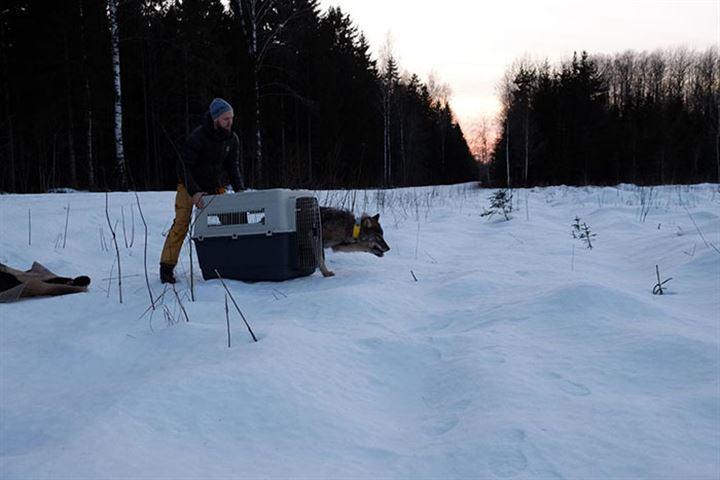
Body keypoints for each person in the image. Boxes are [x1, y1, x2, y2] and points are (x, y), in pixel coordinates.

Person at [159, 98, 245, 284]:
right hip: (189, 186)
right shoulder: (197, 137)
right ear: (215, 119)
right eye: (225, 119)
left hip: (215, 186)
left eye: (231, 118)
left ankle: (235, 264)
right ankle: (166, 267)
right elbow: (183, 167)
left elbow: (232, 167)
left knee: (233, 221)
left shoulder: (232, 139)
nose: (230, 122)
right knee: (181, 224)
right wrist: (195, 192)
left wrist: (240, 191)